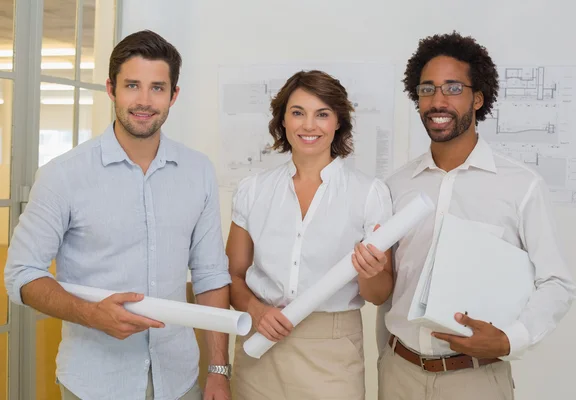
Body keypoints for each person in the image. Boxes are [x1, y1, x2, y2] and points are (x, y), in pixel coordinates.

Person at [4, 30, 232, 400]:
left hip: (179, 380)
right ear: (111, 89)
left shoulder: (198, 171)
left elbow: (210, 275)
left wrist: (218, 370)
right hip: (95, 383)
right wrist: (90, 314)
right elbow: (21, 275)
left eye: (157, 87)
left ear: (174, 95)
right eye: (132, 85)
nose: (144, 101)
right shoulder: (63, 175)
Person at [378, 32, 576, 400]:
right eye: (427, 89)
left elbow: (557, 283)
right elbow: (386, 287)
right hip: (398, 375)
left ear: (478, 98)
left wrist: (507, 340)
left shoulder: (521, 186)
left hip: (476, 380)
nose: (438, 100)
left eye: (453, 88)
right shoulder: (394, 186)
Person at [226, 70, 393, 400]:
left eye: (322, 114)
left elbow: (378, 293)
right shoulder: (252, 190)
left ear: (338, 123)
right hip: (260, 344)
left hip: (332, 352)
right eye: (298, 113)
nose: (308, 125)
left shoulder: (368, 194)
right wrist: (256, 311)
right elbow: (232, 275)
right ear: (283, 120)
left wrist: (370, 272)